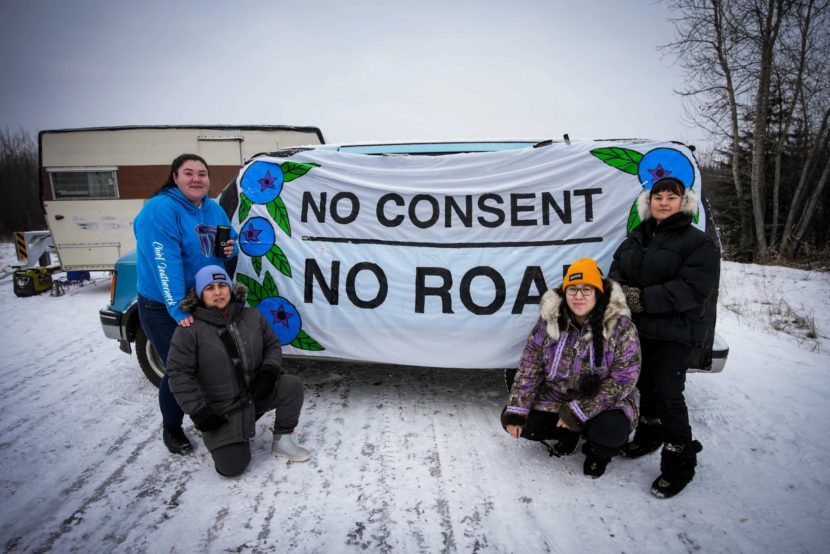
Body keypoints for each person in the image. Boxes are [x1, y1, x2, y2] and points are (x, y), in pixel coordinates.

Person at [609, 176, 719, 498]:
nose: (664, 202)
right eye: (658, 196)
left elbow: (693, 288)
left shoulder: (697, 242)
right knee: (644, 386)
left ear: (683, 203)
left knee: (668, 396)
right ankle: (648, 436)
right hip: (637, 330)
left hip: (675, 332)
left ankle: (679, 464)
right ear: (649, 202)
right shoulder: (635, 237)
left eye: (672, 197)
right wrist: (620, 292)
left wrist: (642, 298)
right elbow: (615, 272)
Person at [134, 154, 237, 454]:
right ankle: (172, 428)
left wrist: (231, 249)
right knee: (180, 369)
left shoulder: (212, 209)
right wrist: (179, 308)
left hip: (202, 300)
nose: (196, 179)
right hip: (163, 306)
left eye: (202, 174)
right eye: (189, 173)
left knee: (209, 363)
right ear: (175, 177)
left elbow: (227, 246)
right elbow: (164, 263)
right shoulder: (160, 209)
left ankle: (215, 411)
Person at [502, 258, 641, 479]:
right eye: (572, 289)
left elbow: (624, 380)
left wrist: (577, 411)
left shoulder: (622, 327)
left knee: (610, 431)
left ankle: (599, 453)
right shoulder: (550, 320)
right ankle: (567, 435)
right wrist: (516, 411)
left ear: (599, 292)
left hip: (603, 402)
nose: (578, 296)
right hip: (557, 395)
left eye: (587, 289)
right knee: (524, 421)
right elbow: (530, 366)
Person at [166, 265, 310, 477]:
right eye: (210, 288)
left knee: (291, 385)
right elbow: (178, 374)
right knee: (232, 468)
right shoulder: (189, 330)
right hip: (222, 410)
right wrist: (199, 412)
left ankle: (283, 439)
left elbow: (272, 346)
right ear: (199, 294)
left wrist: (269, 372)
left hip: (253, 395)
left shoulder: (252, 316)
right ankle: (231, 434)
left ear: (231, 289)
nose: (218, 292)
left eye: (222, 285)